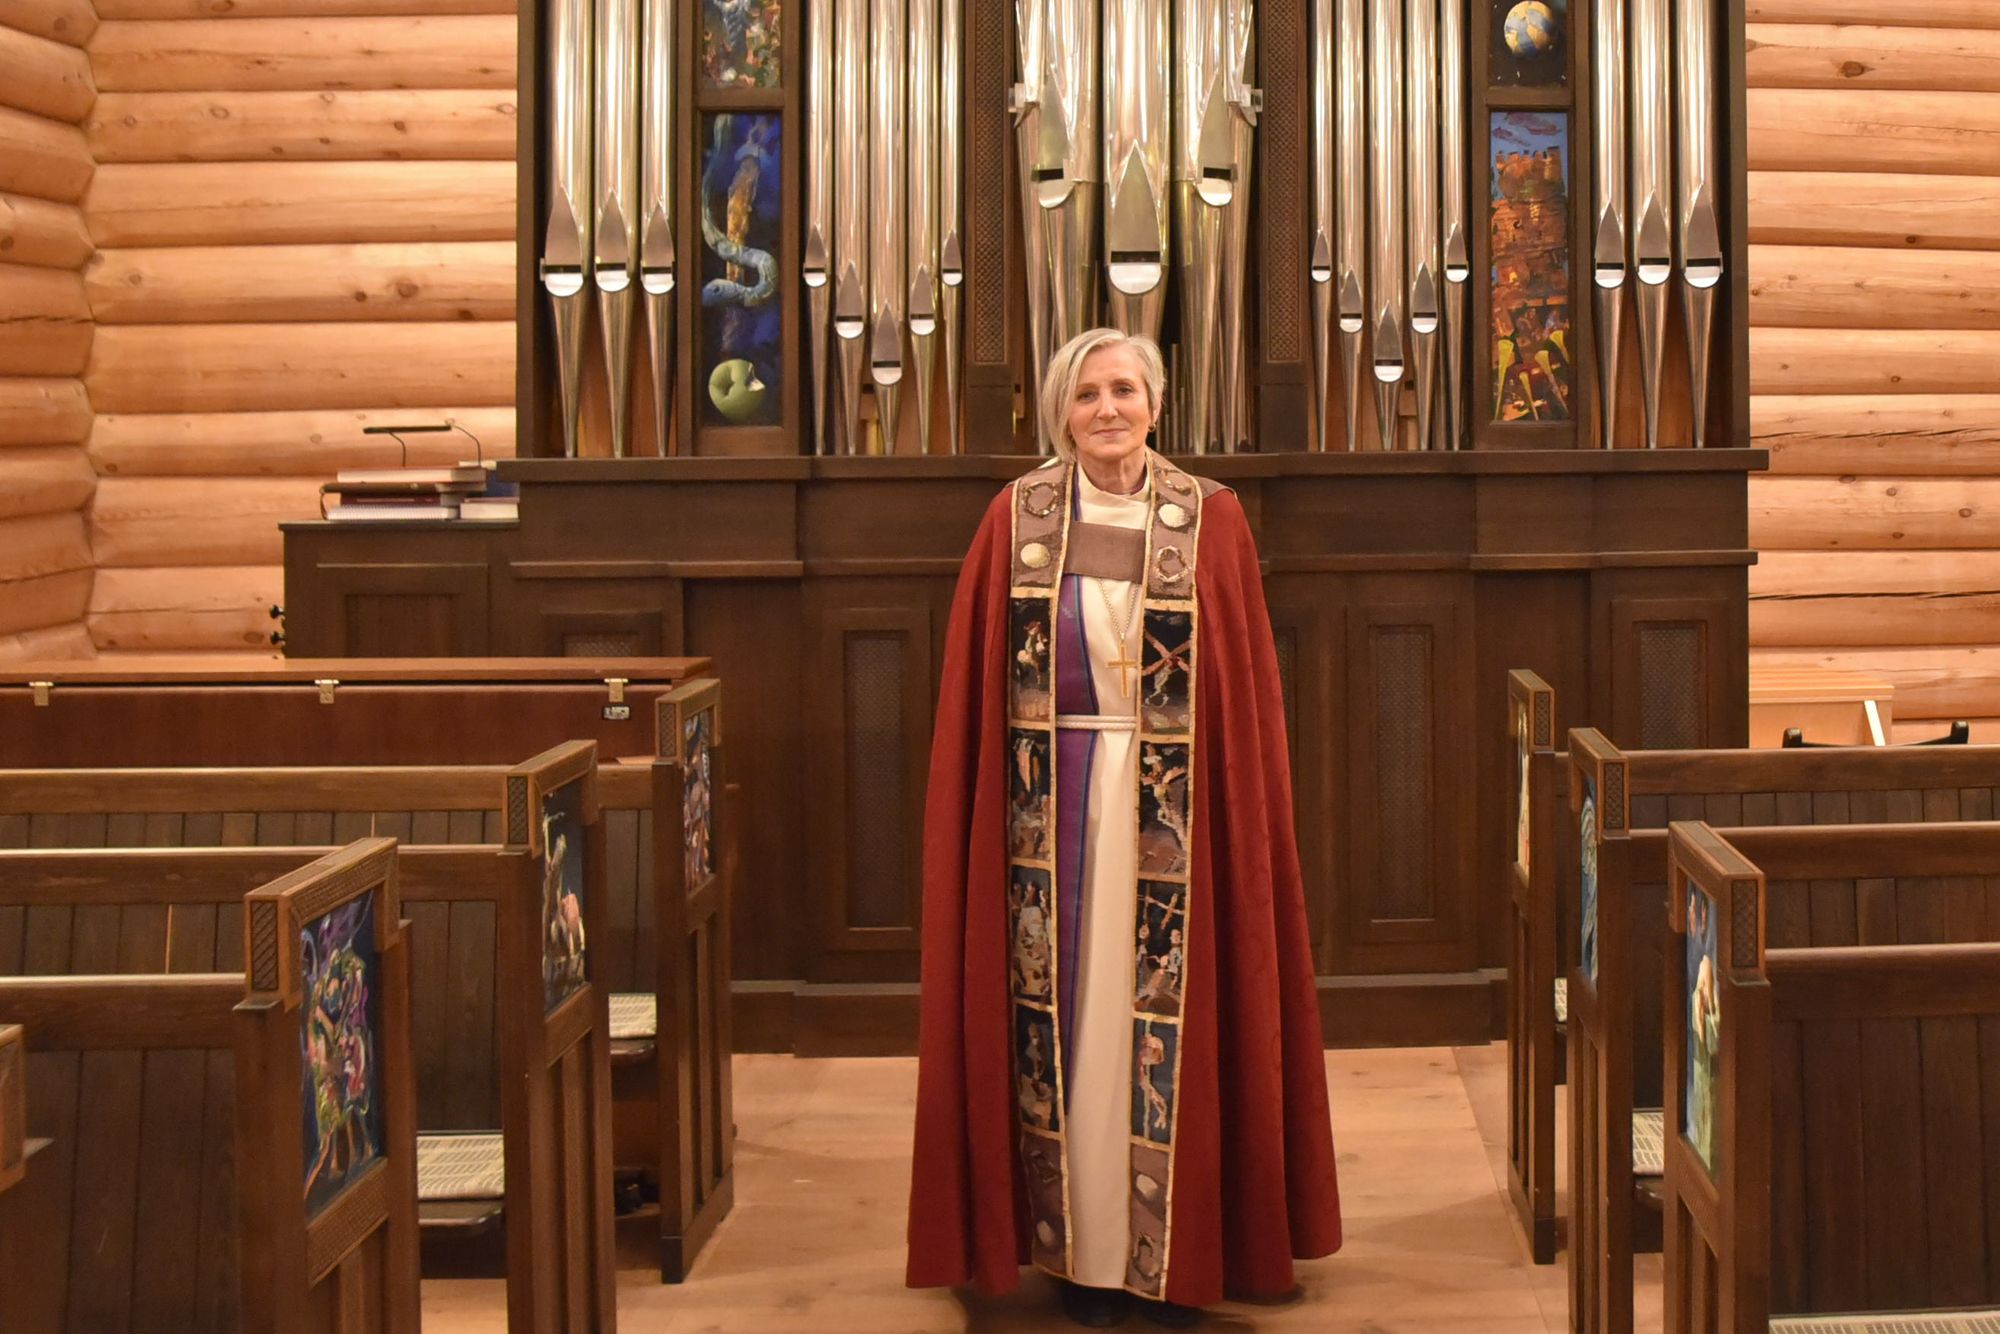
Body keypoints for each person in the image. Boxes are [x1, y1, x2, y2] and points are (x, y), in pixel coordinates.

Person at [907, 329, 1342, 1327]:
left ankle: (1171, 1253)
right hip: (1047, 819)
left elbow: (1240, 710)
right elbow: (976, 707)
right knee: (1070, 1031)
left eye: (1124, 390)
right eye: (1086, 393)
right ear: (1060, 411)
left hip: (1174, 827)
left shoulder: (1210, 519)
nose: (1107, 409)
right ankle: (1076, 1255)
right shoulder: (1015, 520)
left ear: (1155, 401)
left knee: (1154, 1040)